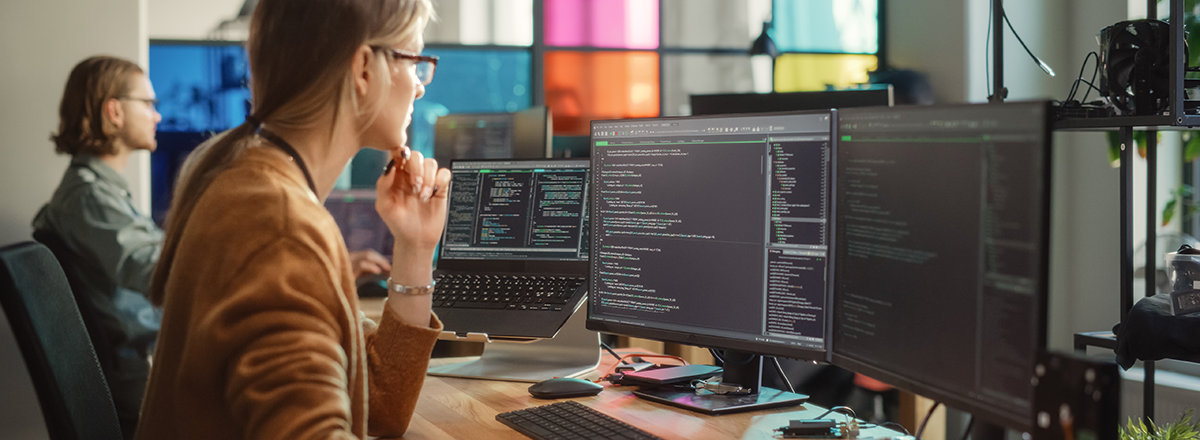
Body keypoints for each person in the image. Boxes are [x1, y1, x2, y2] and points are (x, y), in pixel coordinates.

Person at [136, 0, 447, 437]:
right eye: (415, 61)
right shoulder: (277, 225)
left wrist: (414, 247)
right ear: (362, 68)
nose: (419, 87)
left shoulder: (251, 181)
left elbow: (379, 402)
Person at [32, 55, 163, 439]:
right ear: (114, 111)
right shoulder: (88, 198)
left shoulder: (103, 192)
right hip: (142, 381)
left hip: (148, 362)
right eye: (149, 104)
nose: (157, 116)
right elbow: (160, 275)